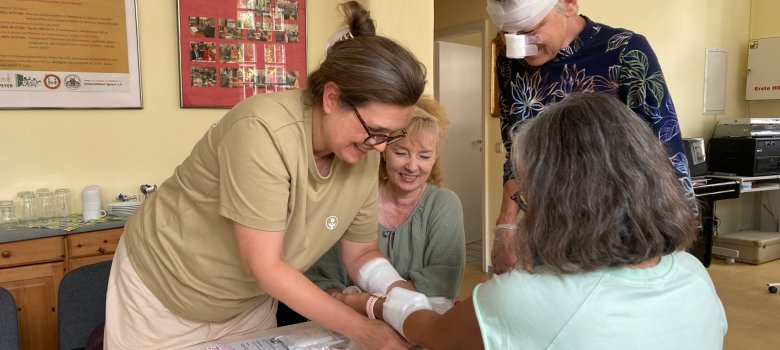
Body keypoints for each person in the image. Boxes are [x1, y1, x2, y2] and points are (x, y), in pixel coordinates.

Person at [103, 1, 426, 349]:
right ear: (332, 98)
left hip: (248, 301)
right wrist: (361, 329)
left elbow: (361, 254)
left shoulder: (363, 152)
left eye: (390, 135)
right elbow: (265, 265)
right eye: (374, 130)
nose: (380, 147)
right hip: (164, 294)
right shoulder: (262, 130)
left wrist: (402, 299)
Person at [334, 92, 728, 350]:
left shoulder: (526, 298)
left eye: (527, 199)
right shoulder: (694, 274)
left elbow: (430, 331)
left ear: (560, 203)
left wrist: (373, 304)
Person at [486, 0, 693, 273]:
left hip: (621, 229)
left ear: (569, 4)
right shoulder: (510, 61)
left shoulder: (625, 51)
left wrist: (674, 241)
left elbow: (665, 146)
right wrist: (506, 226)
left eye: (530, 31)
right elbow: (515, 152)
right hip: (547, 227)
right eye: (508, 34)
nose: (520, 48)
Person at [280, 98, 465, 325]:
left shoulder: (444, 204)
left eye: (424, 156)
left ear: (435, 158)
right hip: (344, 322)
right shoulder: (353, 199)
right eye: (401, 153)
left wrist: (367, 303)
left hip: (418, 325)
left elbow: (442, 284)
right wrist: (358, 306)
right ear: (383, 151)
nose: (412, 166)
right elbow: (322, 280)